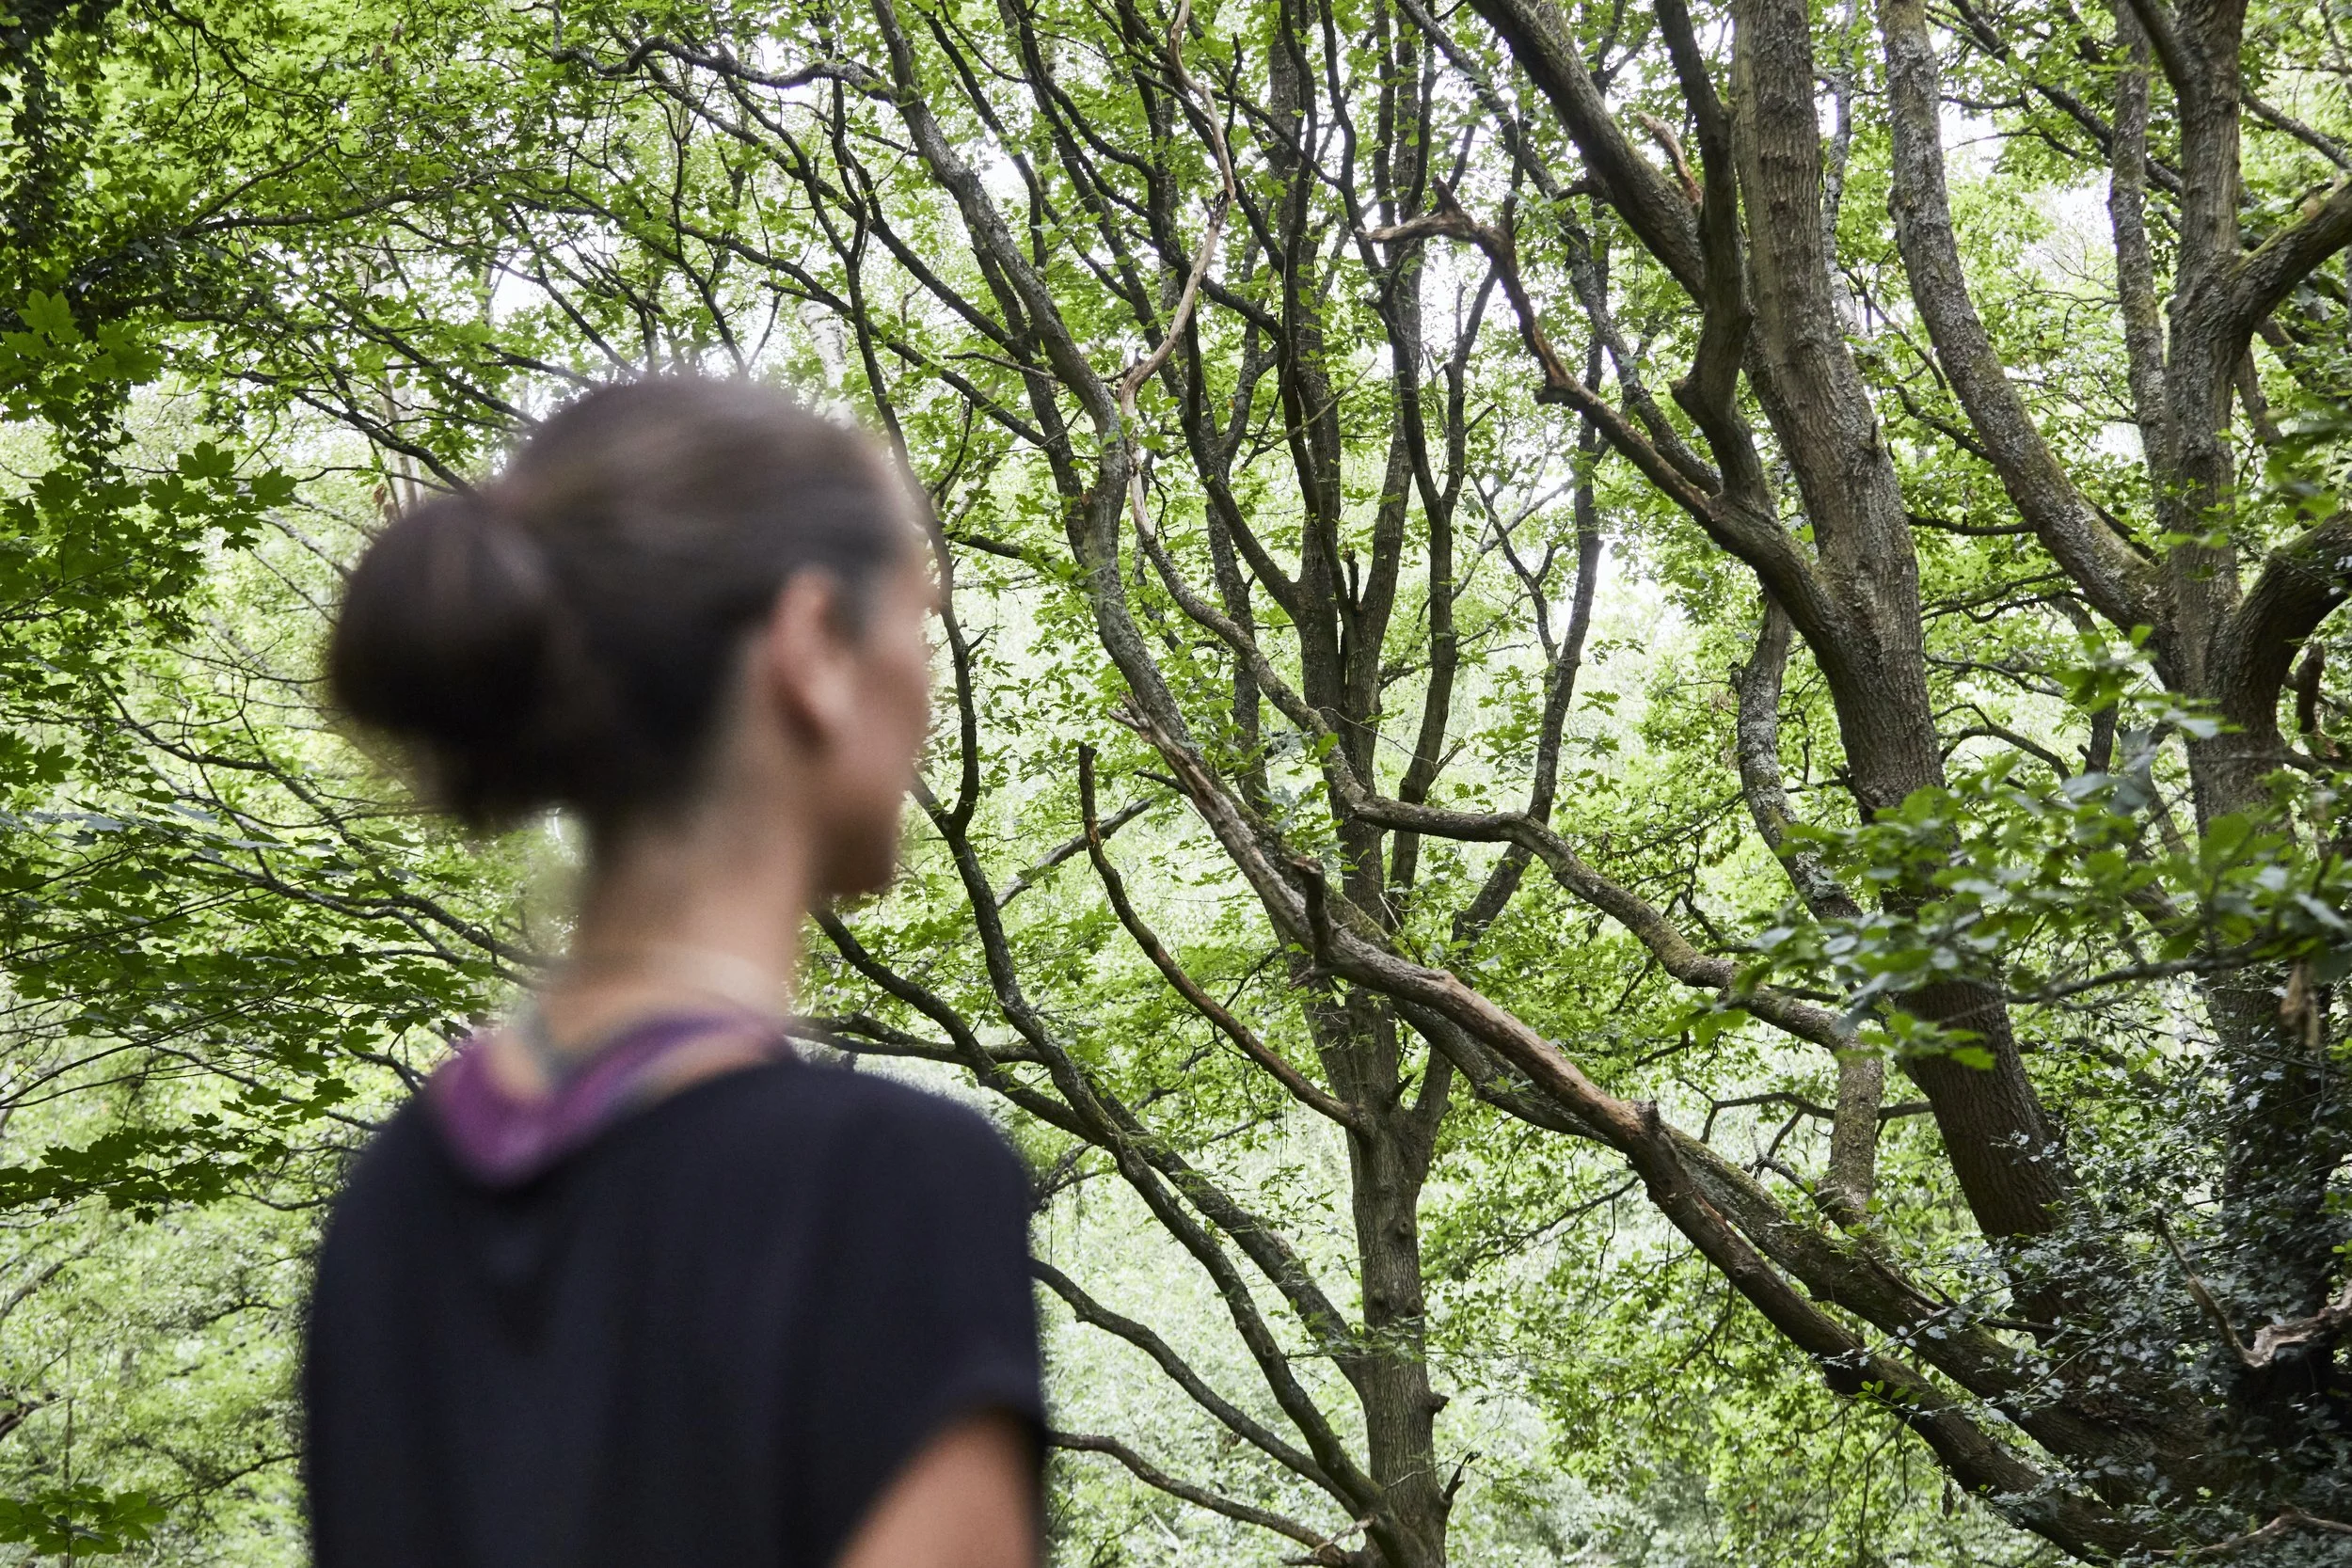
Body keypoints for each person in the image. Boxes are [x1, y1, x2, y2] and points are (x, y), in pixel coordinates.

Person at [303, 378, 1042, 1568]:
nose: (930, 678)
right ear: (811, 646)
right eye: (918, 610)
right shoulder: (888, 1185)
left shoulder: (389, 1196)